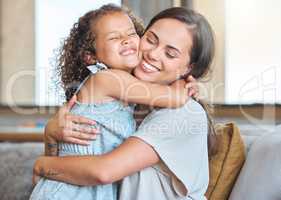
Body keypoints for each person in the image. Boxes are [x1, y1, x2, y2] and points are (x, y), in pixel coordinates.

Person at [33, 6, 216, 200]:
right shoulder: (124, 99)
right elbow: (68, 168)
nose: (153, 54)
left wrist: (42, 165)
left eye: (170, 54)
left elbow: (103, 171)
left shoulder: (182, 112)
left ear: (189, 68)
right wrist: (51, 137)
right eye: (151, 40)